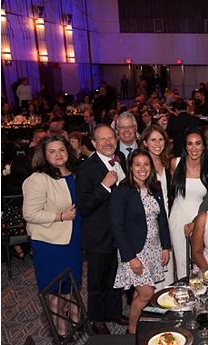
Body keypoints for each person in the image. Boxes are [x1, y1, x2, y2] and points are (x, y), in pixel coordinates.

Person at [21, 135, 83, 338]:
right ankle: (61, 332)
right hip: (50, 243)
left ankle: (75, 319)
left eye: (61, 150)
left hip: (72, 239)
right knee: (55, 288)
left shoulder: (73, 174)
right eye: (52, 151)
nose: (58, 154)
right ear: (44, 155)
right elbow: (29, 214)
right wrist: (60, 216)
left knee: (72, 284)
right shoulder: (38, 179)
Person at [109, 149, 172, 334]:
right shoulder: (122, 191)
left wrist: (166, 246)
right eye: (137, 164)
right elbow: (117, 226)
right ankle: (133, 330)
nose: (142, 168)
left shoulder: (155, 187)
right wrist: (130, 257)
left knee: (139, 292)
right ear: (130, 167)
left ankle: (135, 323)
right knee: (147, 293)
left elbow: (162, 219)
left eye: (146, 164)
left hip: (153, 247)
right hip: (134, 250)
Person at [76, 125, 127, 334]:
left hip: (120, 233)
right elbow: (84, 206)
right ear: (94, 143)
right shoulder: (86, 169)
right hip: (98, 234)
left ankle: (113, 312)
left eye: (110, 138)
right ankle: (97, 320)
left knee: (116, 276)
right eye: (102, 139)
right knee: (97, 280)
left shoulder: (120, 159)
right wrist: (105, 186)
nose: (107, 142)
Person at [167, 128, 208, 281]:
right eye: (190, 144)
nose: (194, 148)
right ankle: (184, 295)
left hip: (201, 217)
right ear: (185, 146)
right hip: (178, 215)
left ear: (203, 146)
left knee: (200, 258)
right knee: (182, 261)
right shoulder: (175, 163)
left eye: (198, 143)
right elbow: (171, 191)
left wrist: (198, 220)